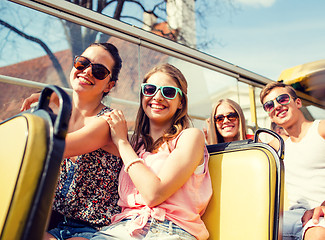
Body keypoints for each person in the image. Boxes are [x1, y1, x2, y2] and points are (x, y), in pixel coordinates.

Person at [91, 63, 212, 240]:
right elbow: (79, 134)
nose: (158, 97)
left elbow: (154, 194)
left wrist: (122, 142)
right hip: (123, 228)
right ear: (142, 96)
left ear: (180, 102)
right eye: (150, 89)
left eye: (168, 92)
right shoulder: (135, 144)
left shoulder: (190, 137)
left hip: (171, 229)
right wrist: (58, 104)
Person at [21, 43, 123, 240]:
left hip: (92, 229)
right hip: (53, 220)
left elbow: (53, 147)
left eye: (99, 71)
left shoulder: (106, 122)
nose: (87, 71)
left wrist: (52, 100)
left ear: (110, 85)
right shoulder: (61, 117)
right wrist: (54, 102)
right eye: (82, 63)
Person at [260, 81, 325, 240]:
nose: (276, 106)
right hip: (292, 216)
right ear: (270, 115)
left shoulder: (320, 129)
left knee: (316, 233)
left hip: (320, 214)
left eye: (282, 99)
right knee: (252, 227)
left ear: (298, 102)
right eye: (269, 105)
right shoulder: (279, 144)